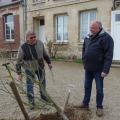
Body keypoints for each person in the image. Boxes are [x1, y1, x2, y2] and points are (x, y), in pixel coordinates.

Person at [80, 21, 114, 116]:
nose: (91, 29)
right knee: (87, 87)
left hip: (99, 70)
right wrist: (84, 61)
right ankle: (85, 103)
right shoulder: (87, 36)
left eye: (93, 28)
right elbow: (84, 49)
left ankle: (99, 107)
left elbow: (109, 55)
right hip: (88, 68)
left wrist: (105, 70)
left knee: (99, 89)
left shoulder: (106, 38)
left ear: (99, 28)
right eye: (90, 27)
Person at [16, 30, 52, 109]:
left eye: (35, 37)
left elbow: (45, 54)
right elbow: (18, 61)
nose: (34, 39)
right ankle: (31, 102)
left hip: (40, 68)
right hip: (29, 69)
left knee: (42, 83)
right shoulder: (23, 47)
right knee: (30, 85)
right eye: (31, 37)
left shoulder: (40, 43)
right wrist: (18, 73)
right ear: (27, 38)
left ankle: (43, 97)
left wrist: (49, 63)